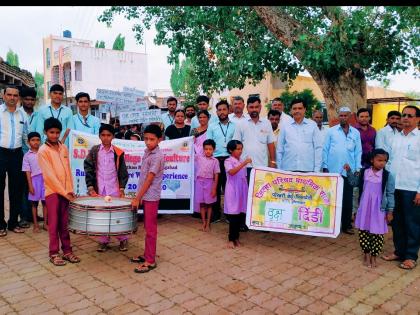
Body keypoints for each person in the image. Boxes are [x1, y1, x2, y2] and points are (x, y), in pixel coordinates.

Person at [38, 117, 80, 266]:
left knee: (64, 223)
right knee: (54, 224)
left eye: (57, 132)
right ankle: (54, 253)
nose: (55, 135)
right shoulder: (43, 151)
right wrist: (64, 192)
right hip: (53, 193)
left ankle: (67, 251)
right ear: (45, 132)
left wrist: (70, 189)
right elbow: (50, 177)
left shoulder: (63, 148)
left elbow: (68, 171)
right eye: (51, 132)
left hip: (66, 193)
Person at [382, 105, 420, 270]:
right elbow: (389, 162)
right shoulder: (396, 137)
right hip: (394, 187)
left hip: (412, 188)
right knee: (397, 222)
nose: (405, 118)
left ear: (418, 119)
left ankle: (411, 256)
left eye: (410, 116)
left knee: (412, 223)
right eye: (404, 115)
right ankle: (399, 251)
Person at [84, 124, 129, 252]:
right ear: (99, 136)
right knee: (102, 216)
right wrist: (90, 186)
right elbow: (88, 169)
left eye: (108, 135)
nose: (105, 138)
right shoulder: (94, 151)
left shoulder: (118, 152)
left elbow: (122, 172)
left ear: (113, 137)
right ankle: (103, 241)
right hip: (100, 189)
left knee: (117, 215)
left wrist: (121, 188)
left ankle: (122, 239)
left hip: (114, 188)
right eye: (103, 135)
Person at [351, 149, 395, 268]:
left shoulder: (387, 176)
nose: (382, 163)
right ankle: (366, 253)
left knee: (378, 234)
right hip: (364, 207)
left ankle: (373, 256)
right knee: (363, 232)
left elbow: (390, 194)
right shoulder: (364, 172)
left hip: (379, 209)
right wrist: (349, 171)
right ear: (372, 160)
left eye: (385, 161)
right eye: (379, 160)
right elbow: (355, 187)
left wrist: (390, 211)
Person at [130, 124, 165, 273]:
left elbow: (149, 179)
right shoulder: (148, 152)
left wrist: (137, 197)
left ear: (159, 140)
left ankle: (150, 260)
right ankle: (146, 254)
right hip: (145, 194)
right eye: (146, 139)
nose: (148, 142)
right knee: (147, 227)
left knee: (150, 229)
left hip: (151, 196)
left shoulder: (157, 156)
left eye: (152, 139)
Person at [322, 106, 362, 235]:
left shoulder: (355, 133)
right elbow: (325, 149)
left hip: (349, 171)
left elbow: (358, 152)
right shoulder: (331, 131)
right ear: (338, 116)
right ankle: (331, 224)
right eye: (341, 115)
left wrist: (357, 168)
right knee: (331, 197)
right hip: (333, 170)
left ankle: (346, 225)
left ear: (350, 117)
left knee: (348, 199)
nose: (343, 118)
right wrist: (325, 166)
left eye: (346, 115)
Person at [0, 85, 28, 236]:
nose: (12, 98)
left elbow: (25, 136)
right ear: (4, 96)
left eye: (15, 95)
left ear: (18, 98)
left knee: (16, 189)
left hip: (17, 154)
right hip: (0, 153)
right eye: (9, 95)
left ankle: (13, 222)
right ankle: (0, 224)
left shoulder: (22, 115)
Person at [233, 96, 277, 182]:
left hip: (262, 166)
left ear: (260, 107)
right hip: (245, 166)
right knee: (246, 193)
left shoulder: (266, 123)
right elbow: (236, 145)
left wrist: (273, 162)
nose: (254, 109)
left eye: (256, 107)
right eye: (251, 107)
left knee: (261, 193)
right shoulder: (241, 124)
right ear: (247, 108)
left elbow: (271, 144)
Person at [206, 100, 236, 222]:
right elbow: (208, 144)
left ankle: (229, 214)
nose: (222, 112)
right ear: (216, 112)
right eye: (219, 110)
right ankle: (216, 214)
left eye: (224, 109)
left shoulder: (234, 126)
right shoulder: (212, 126)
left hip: (230, 160)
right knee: (216, 187)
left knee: (229, 188)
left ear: (228, 110)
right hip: (216, 160)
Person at [277, 99, 322, 172]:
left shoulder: (312, 125)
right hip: (288, 169)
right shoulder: (285, 126)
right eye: (294, 109)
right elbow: (279, 149)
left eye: (300, 108)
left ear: (304, 109)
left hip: (308, 169)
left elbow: (318, 148)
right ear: (291, 110)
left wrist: (316, 169)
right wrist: (279, 169)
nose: (297, 111)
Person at [224, 140, 252, 248]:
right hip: (233, 190)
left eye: (241, 149)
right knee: (233, 215)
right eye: (237, 149)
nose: (240, 151)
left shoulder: (240, 160)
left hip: (242, 189)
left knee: (240, 214)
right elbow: (231, 172)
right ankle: (231, 239)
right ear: (231, 150)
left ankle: (236, 238)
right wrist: (244, 163)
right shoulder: (228, 161)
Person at [18, 87, 39, 228]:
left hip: (37, 156)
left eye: (32, 99)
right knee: (23, 185)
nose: (29, 101)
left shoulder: (38, 115)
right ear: (22, 99)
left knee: (36, 184)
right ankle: (23, 216)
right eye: (26, 99)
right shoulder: (17, 114)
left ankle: (34, 214)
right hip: (20, 154)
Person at [22, 132, 48, 233]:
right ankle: (36, 224)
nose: (36, 142)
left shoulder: (44, 152)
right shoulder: (27, 156)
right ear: (28, 142)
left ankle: (45, 224)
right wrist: (30, 185)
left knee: (45, 203)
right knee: (34, 204)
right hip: (34, 181)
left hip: (45, 180)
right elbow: (27, 172)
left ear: (40, 141)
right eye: (33, 140)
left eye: (37, 140)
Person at [194, 139, 220, 232]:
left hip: (210, 183)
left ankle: (208, 223)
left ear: (214, 149)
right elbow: (192, 150)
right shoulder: (198, 157)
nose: (208, 151)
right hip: (199, 182)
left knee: (209, 204)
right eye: (206, 149)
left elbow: (216, 175)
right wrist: (192, 140)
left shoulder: (215, 161)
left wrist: (214, 188)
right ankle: (203, 222)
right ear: (203, 149)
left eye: (210, 149)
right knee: (201, 203)